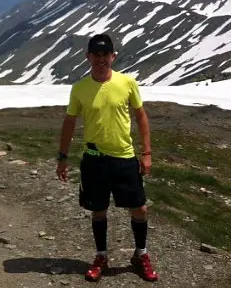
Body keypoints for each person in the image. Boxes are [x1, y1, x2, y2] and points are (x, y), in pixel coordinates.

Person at [56, 33, 159, 283]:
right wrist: (62, 157)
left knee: (140, 208)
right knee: (98, 210)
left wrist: (146, 153)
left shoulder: (127, 83)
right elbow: (70, 121)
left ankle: (140, 254)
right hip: (94, 160)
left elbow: (141, 116)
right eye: (96, 55)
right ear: (87, 56)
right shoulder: (79, 88)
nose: (101, 59)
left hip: (125, 157)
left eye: (105, 55)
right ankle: (101, 255)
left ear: (113, 56)